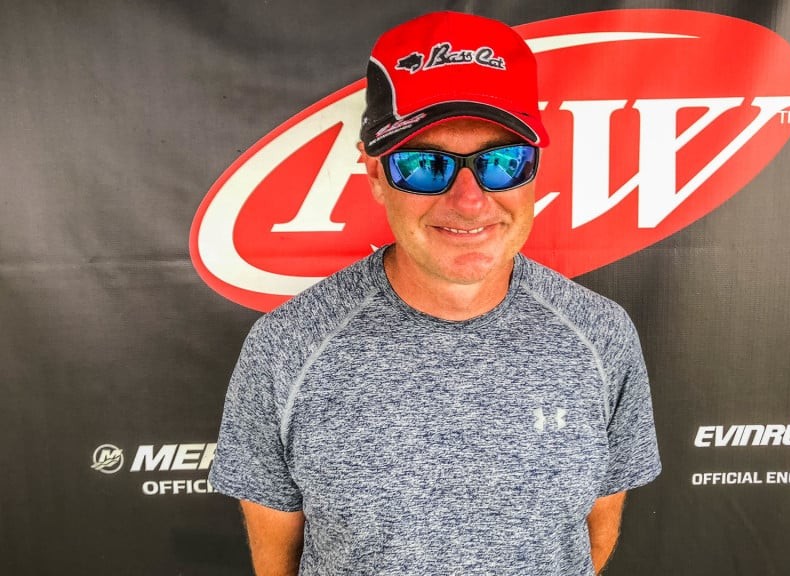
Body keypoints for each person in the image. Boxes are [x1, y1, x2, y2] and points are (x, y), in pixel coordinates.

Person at [210, 10, 661, 576]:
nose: (470, 201)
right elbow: (277, 559)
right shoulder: (286, 348)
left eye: (503, 162)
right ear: (375, 173)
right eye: (425, 165)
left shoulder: (602, 335)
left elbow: (595, 533)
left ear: (535, 169)